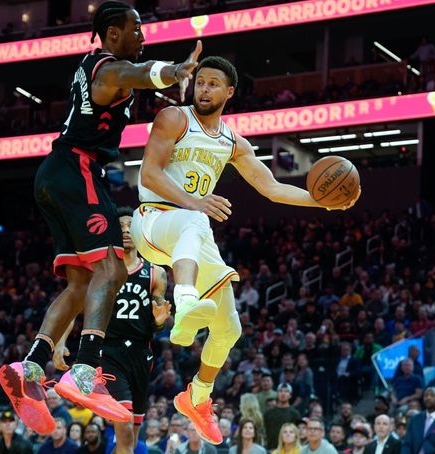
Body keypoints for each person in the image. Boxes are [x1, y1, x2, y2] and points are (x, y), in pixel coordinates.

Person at [0, 0, 202, 434]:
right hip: (79, 169)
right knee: (110, 267)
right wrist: (172, 71)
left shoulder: (95, 65)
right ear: (113, 33)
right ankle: (86, 370)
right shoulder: (109, 67)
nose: (142, 37)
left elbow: (132, 78)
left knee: (81, 282)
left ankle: (29, 369)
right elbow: (134, 73)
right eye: (136, 29)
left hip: (54, 174)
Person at [131, 56, 359, 444]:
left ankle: (197, 397)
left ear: (229, 92)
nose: (204, 89)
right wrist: (195, 200)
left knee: (229, 328)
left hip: (192, 232)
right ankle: (184, 300)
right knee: (194, 218)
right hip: (153, 221)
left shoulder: (233, 142)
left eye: (213, 84)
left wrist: (322, 202)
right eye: (200, 82)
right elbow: (149, 172)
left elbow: (271, 187)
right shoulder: (174, 117)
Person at [55, 207, 170, 454]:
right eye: (121, 228)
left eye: (131, 227)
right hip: (107, 352)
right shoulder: (100, 272)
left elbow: (159, 319)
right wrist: (60, 342)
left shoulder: (156, 273)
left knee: (132, 435)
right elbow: (73, 307)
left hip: (141, 354)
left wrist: (160, 321)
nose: (127, 231)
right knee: (124, 422)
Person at [263, 383, 301, 450]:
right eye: (280, 391)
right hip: (270, 449)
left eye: (286, 391)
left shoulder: (295, 414)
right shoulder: (268, 413)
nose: (283, 393)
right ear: (277, 394)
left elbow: (297, 433)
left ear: (290, 395)